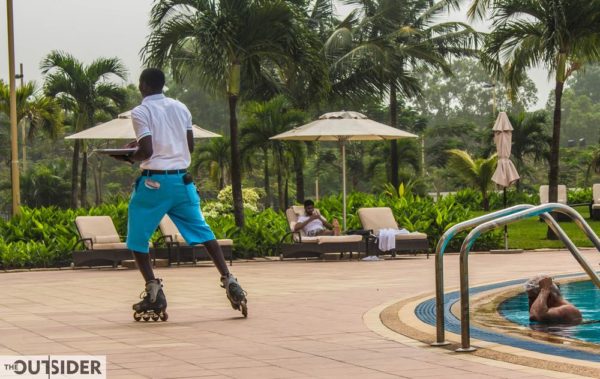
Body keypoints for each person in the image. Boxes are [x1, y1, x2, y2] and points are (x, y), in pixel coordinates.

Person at [111, 68, 247, 320]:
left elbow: (148, 151)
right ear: (162, 85)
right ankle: (229, 279)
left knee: (138, 239)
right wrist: (142, 148)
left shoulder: (141, 111)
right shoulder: (181, 108)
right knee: (205, 232)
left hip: (154, 184)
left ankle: (153, 290)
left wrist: (127, 155)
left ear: (143, 86)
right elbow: (190, 146)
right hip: (182, 181)